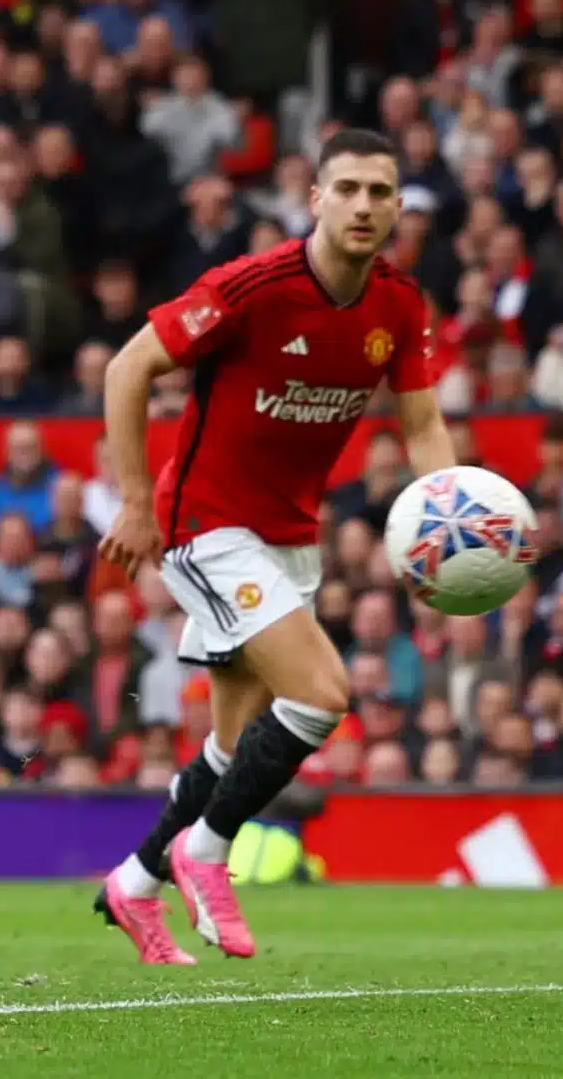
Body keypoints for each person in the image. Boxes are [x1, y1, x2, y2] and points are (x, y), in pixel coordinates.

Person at [94, 128, 453, 964]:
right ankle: (207, 852)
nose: (365, 205)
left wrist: (445, 523)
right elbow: (127, 369)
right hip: (205, 524)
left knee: (233, 745)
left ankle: (136, 884)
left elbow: (425, 423)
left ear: (398, 208)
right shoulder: (251, 286)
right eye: (350, 188)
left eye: (381, 192)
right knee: (324, 694)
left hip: (290, 533)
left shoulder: (398, 303)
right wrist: (137, 502)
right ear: (316, 198)